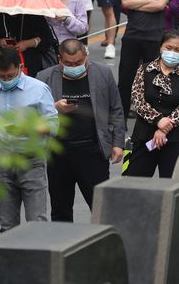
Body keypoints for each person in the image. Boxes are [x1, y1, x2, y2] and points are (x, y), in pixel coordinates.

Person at [37, 39, 125, 221]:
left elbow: (115, 109)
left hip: (92, 150)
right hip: (57, 152)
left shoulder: (102, 73)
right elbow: (34, 116)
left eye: (78, 63)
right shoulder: (44, 78)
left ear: (86, 56)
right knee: (60, 211)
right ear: (59, 59)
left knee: (101, 208)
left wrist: (118, 143)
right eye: (68, 64)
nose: (74, 67)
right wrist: (55, 108)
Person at [0, 48, 56, 230]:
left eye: (10, 75)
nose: (6, 80)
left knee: (36, 223)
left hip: (31, 162)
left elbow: (54, 125)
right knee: (7, 225)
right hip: (3, 164)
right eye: (2, 76)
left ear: (20, 67)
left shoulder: (39, 89)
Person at [125, 30, 179, 177]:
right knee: (136, 180)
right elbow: (138, 99)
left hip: (175, 137)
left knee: (171, 183)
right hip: (145, 134)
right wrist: (158, 120)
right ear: (161, 48)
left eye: (177, 50)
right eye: (169, 48)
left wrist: (164, 129)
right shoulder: (145, 70)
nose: (172, 52)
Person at [119, 0, 173, 116]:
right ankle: (122, 118)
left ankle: (153, 116)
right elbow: (125, 2)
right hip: (132, 35)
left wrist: (136, 2)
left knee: (154, 80)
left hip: (154, 36)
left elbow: (160, 5)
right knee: (125, 80)